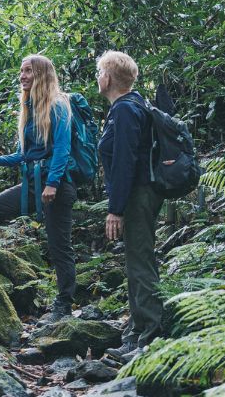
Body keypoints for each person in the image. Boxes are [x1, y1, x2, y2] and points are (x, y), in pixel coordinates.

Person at [0, 54, 76, 324]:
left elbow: (63, 148)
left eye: (28, 71)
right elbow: (23, 155)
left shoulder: (58, 104)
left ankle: (63, 304)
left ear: (41, 74)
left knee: (59, 246)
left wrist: (52, 183)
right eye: (21, 71)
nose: (23, 76)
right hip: (32, 185)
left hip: (57, 187)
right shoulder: (29, 108)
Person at [96, 50, 164, 362]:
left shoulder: (124, 110)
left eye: (99, 72)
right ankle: (136, 333)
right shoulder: (134, 104)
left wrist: (116, 208)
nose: (98, 78)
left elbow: (124, 162)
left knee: (140, 263)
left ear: (108, 78)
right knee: (138, 261)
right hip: (141, 193)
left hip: (137, 195)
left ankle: (148, 338)